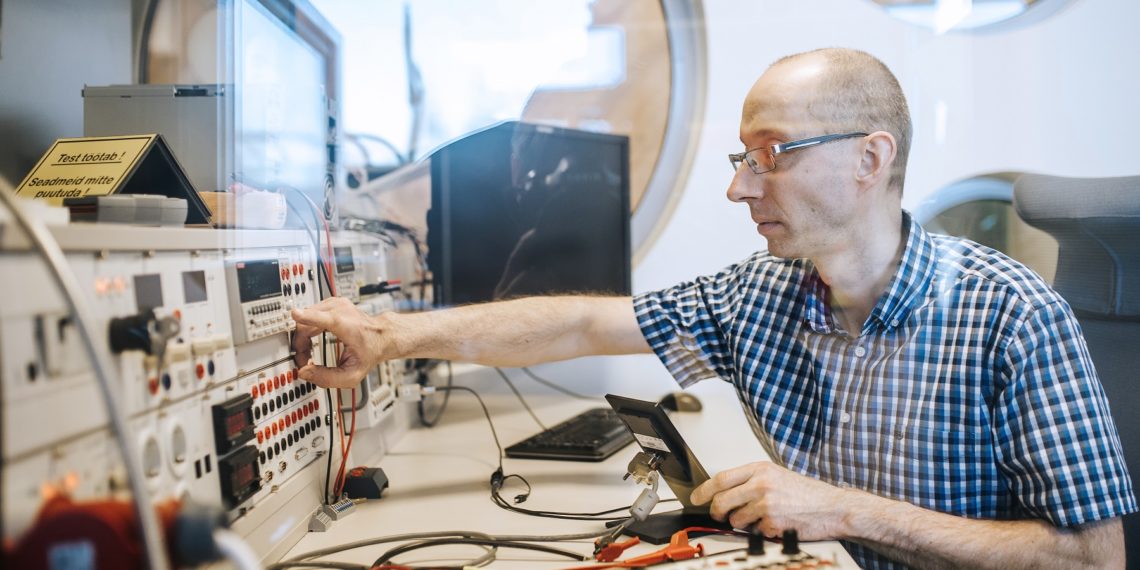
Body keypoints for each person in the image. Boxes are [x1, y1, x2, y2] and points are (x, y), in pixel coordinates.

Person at [290, 48, 1135, 569]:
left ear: (871, 159)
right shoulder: (757, 294)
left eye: (770, 156)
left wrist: (841, 509)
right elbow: (584, 322)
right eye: (741, 157)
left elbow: (1094, 562)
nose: (739, 187)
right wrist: (387, 335)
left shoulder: (1013, 316)